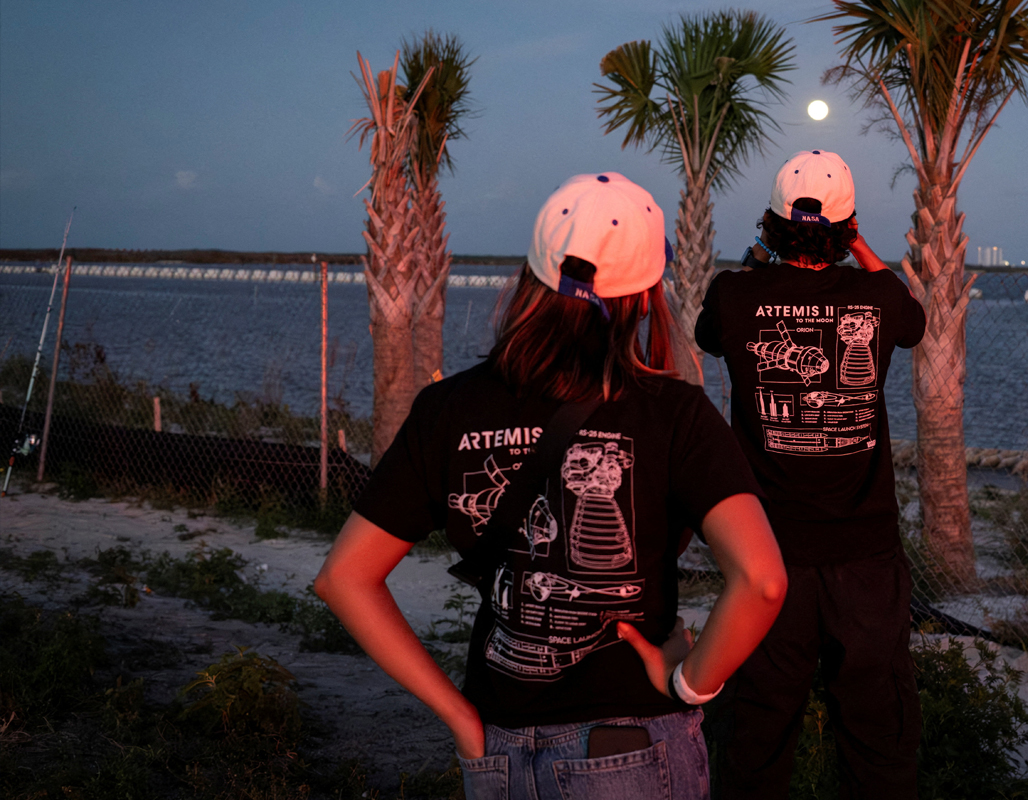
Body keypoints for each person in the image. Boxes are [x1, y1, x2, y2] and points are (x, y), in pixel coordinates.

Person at [316, 172, 787, 800]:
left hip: (499, 746)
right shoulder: (674, 412)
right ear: (646, 296)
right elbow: (762, 581)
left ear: (531, 275)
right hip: (631, 740)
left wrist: (458, 714)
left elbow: (344, 577)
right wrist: (689, 682)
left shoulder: (446, 409)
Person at [694, 150, 927, 799]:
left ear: (770, 220)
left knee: (756, 735)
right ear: (848, 228)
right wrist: (858, 245)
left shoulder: (734, 294)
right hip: (866, 559)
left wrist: (764, 258)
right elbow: (915, 318)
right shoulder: (877, 295)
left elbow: (710, 335)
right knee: (879, 734)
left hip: (765, 561)